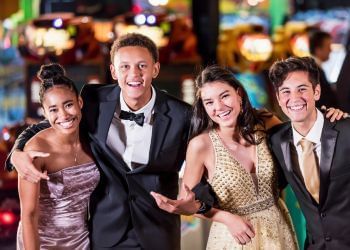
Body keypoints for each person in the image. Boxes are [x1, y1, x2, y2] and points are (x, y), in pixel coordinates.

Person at [6, 33, 204, 250]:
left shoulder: (183, 115)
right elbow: (52, 123)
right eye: (125, 66)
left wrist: (196, 203)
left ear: (155, 69)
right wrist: (16, 152)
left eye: (142, 66)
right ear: (113, 71)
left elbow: (208, 161)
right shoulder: (94, 100)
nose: (134, 74)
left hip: (158, 233)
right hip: (105, 235)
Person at [152, 65, 298, 249]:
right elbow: (186, 202)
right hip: (234, 237)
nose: (219, 107)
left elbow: (302, 137)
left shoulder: (265, 121)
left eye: (224, 96)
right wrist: (226, 218)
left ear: (239, 94)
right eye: (209, 102)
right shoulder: (201, 145)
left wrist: (328, 116)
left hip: (278, 229)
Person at [268, 56, 350, 249]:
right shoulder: (276, 140)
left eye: (302, 89)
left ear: (317, 91)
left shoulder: (346, 130)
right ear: (279, 99)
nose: (294, 98)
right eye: (286, 91)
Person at [16, 63, 99, 249]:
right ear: (45, 113)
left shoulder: (92, 140)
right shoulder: (36, 150)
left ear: (80, 102)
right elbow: (28, 215)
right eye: (53, 109)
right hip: (42, 242)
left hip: (81, 241)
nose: (63, 115)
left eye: (68, 105)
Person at [308, 29, 338, 108]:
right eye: (328, 47)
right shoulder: (314, 71)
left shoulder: (314, 68)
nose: (331, 50)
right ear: (318, 50)